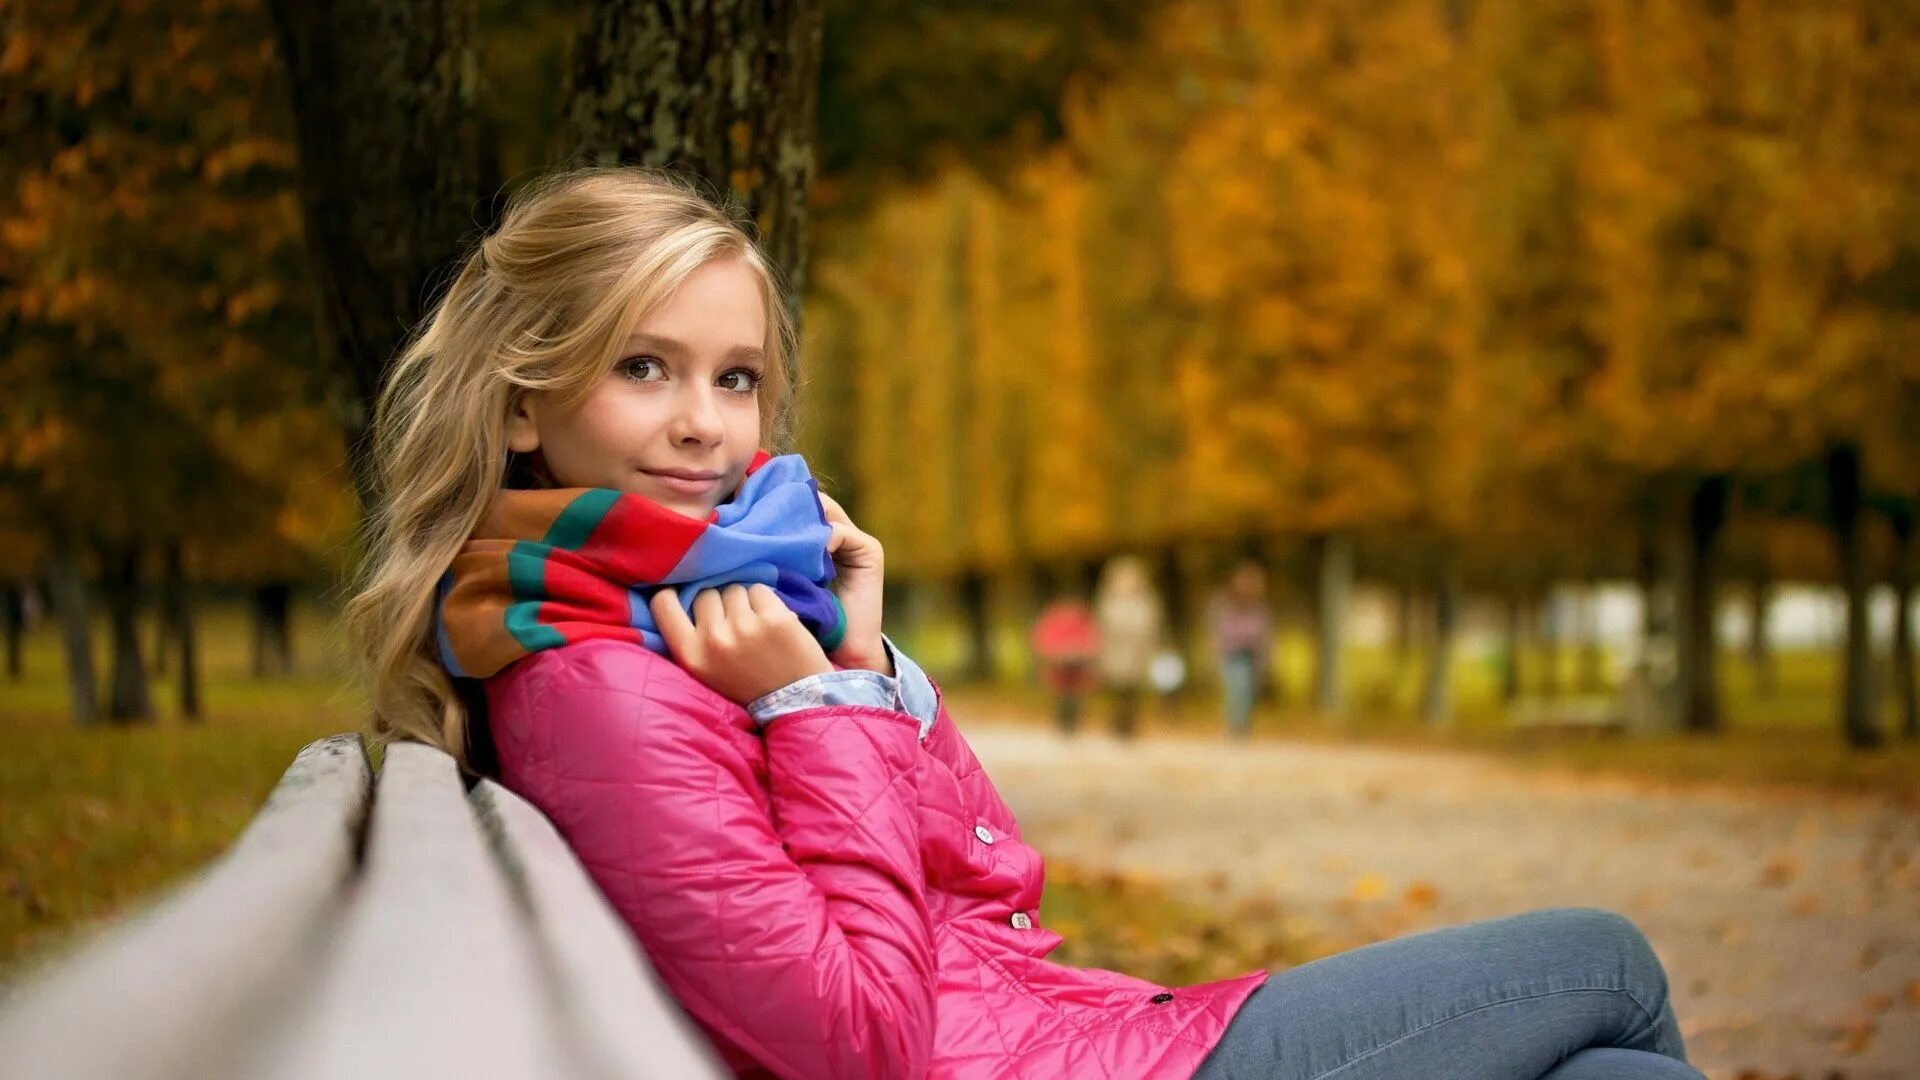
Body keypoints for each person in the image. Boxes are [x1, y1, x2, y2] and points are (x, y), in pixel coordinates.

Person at [345, 166, 1705, 1079]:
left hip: (1052, 1038)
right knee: (1607, 964)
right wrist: (817, 710)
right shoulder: (601, 683)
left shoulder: (668, 621)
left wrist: (861, 669)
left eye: (737, 376)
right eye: (644, 368)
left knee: (1610, 1073)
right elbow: (861, 1036)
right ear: (525, 403)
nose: (705, 422)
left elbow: (997, 882)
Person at [1093, 554, 1164, 740]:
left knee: (1132, 690)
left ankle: (1128, 724)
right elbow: (1104, 627)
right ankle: (1119, 723)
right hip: (1116, 652)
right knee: (1119, 689)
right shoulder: (1110, 601)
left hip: (1135, 652)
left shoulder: (1146, 601)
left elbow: (1151, 627)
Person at [1207, 559, 1276, 740]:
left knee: (1246, 691)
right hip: (1231, 652)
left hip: (1250, 654)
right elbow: (1219, 628)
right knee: (1236, 689)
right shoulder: (1225, 604)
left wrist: (1266, 653)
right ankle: (1235, 725)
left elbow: (1264, 632)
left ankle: (1242, 724)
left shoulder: (1259, 607)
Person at [1029, 591, 1101, 734]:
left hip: (1072, 666)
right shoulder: (1081, 619)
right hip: (1064, 667)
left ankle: (1068, 723)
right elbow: (1092, 640)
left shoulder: (1058, 618)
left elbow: (1042, 639)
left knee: (1069, 696)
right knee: (1066, 696)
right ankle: (1067, 723)